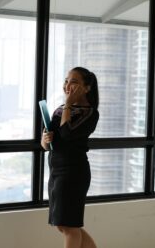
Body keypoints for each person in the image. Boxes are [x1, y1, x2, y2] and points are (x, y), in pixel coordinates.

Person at [41, 67, 99, 248]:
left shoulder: (89, 113)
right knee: (64, 224)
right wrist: (44, 139)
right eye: (66, 80)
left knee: (68, 226)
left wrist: (69, 103)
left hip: (73, 172)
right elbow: (47, 143)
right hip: (56, 170)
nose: (67, 85)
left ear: (87, 88)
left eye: (74, 82)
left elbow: (66, 133)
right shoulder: (61, 109)